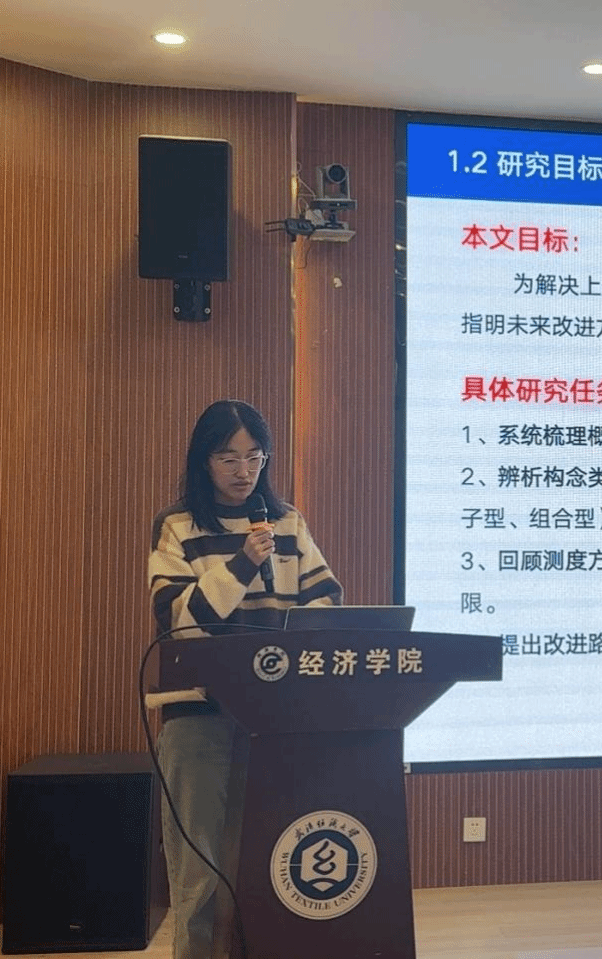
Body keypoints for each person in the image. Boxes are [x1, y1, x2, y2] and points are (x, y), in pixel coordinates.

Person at [149, 400, 342, 959]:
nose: (243, 471)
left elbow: (325, 601)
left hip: (276, 718)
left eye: (255, 458)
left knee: (274, 860)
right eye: (228, 458)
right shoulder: (178, 525)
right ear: (203, 460)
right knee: (201, 873)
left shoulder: (287, 522)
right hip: (199, 718)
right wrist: (241, 564)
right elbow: (179, 621)